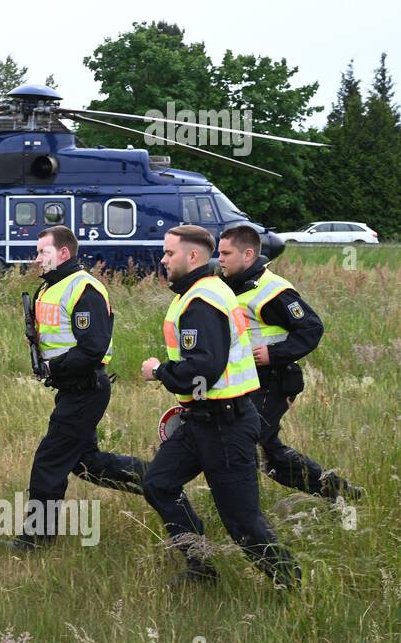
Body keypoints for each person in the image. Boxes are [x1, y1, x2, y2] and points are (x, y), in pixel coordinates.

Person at [139, 225, 300, 588]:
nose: (163, 260)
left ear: (192, 256)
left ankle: (291, 583)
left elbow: (203, 370)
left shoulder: (203, 301)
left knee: (243, 523)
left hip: (226, 426)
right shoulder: (197, 293)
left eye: (169, 253)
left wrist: (159, 371)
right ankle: (201, 566)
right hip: (199, 422)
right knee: (159, 483)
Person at [14, 226, 144, 551]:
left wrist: (51, 367)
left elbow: (92, 348)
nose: (37, 259)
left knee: (49, 460)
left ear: (63, 253)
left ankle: (36, 539)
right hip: (71, 389)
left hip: (86, 388)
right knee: (87, 464)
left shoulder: (84, 288)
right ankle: (155, 479)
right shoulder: (50, 287)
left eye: (42, 252)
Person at [217, 224, 362, 500]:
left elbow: (311, 328)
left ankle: (339, 493)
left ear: (248, 255)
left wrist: (274, 353)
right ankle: (337, 493)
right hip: (243, 380)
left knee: (257, 444)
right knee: (260, 451)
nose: (220, 258)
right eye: (218, 253)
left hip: (274, 379)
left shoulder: (274, 290)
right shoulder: (228, 285)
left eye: (225, 253)